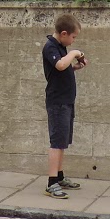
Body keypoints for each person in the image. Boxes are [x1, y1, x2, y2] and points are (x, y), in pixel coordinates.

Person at [41, 13, 86, 198]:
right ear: (64, 33)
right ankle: (51, 183)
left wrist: (74, 67)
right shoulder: (50, 46)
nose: (73, 41)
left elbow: (63, 68)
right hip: (57, 102)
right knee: (56, 142)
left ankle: (59, 176)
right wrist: (74, 53)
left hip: (67, 101)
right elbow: (59, 65)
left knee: (63, 142)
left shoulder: (60, 47)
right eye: (74, 37)